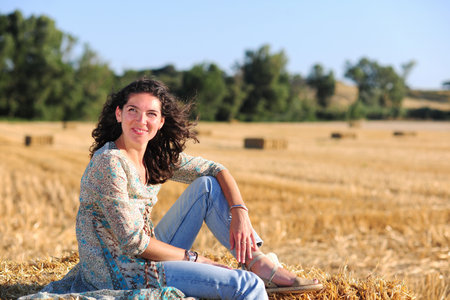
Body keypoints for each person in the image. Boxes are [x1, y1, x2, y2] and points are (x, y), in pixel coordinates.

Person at [22, 78, 323, 300]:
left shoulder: (153, 157)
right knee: (248, 287)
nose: (142, 121)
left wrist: (240, 211)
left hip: (145, 254)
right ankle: (256, 276)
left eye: (151, 114)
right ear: (118, 114)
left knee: (206, 187)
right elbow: (134, 244)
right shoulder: (110, 163)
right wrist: (194, 258)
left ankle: (256, 261)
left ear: (161, 121)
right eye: (132, 111)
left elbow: (217, 170)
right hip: (124, 273)